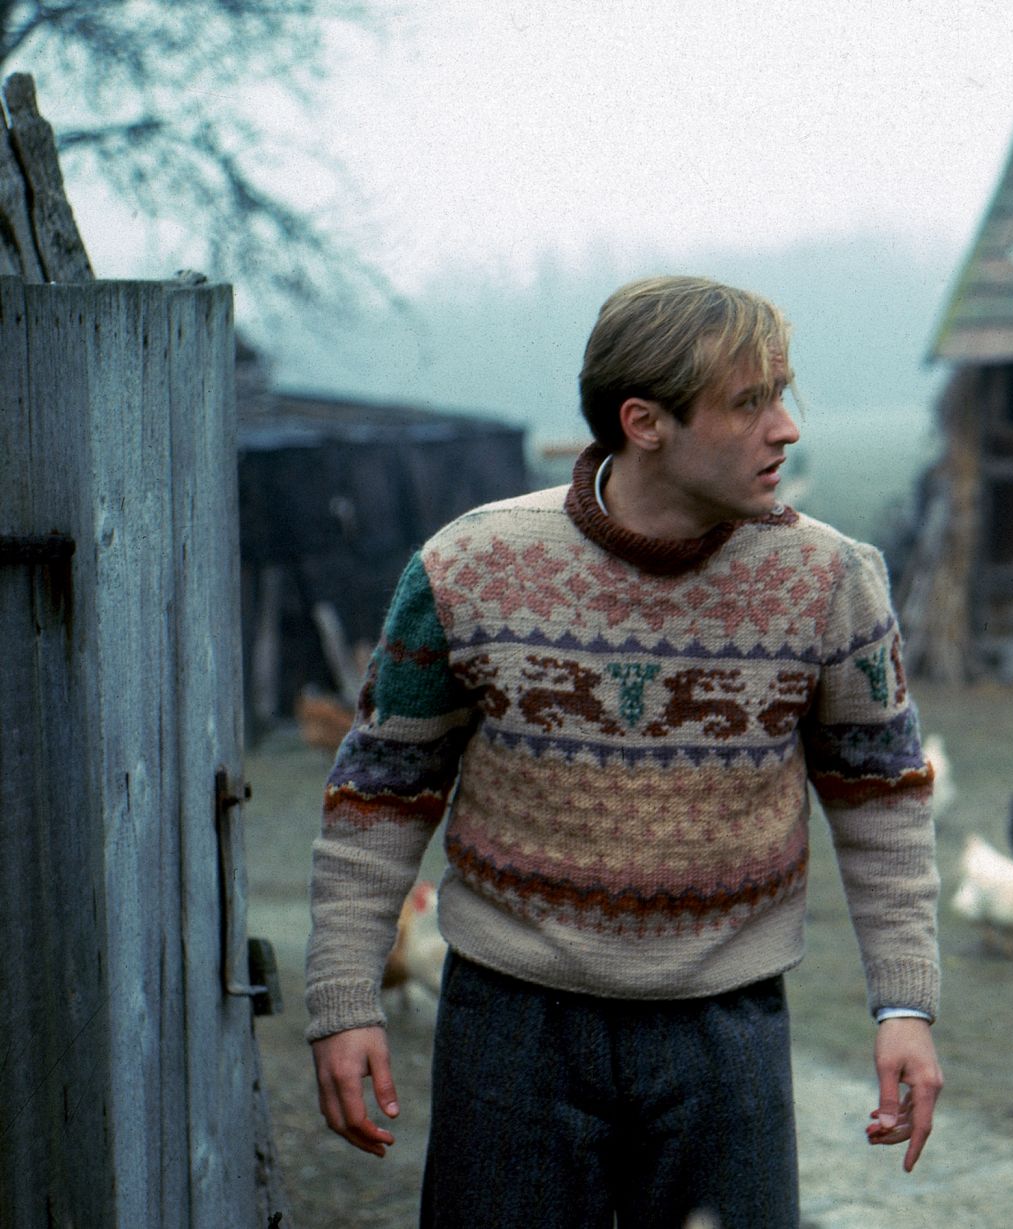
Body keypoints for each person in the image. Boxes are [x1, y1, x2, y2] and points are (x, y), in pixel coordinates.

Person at [305, 275, 944, 1228]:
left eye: (782, 394)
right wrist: (344, 994)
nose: (786, 429)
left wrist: (906, 1005)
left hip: (726, 1037)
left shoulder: (831, 581)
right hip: (509, 1030)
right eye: (749, 403)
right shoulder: (467, 568)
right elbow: (380, 792)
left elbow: (883, 802)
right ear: (644, 422)